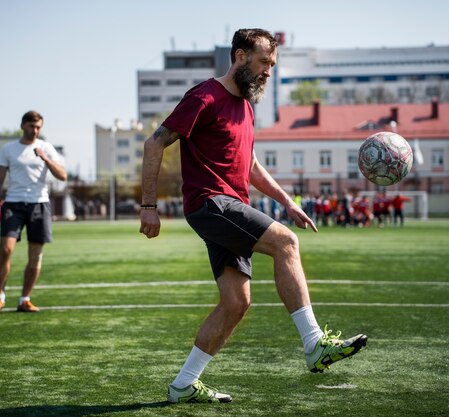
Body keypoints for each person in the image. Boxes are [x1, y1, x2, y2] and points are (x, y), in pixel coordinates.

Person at [139, 28, 367, 404]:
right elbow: (154, 143)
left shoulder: (245, 105)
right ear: (241, 57)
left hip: (231, 205)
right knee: (286, 243)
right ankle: (314, 344)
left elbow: (251, 166)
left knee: (236, 303)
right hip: (211, 202)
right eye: (264, 63)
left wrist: (288, 202)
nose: (268, 72)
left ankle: (182, 385)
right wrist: (149, 207)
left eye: (272, 65)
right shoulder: (203, 96)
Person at [0, 111, 67, 315]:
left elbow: (63, 176)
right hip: (13, 204)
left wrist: (45, 158)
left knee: (35, 257)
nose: (35, 130)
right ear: (23, 125)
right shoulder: (9, 149)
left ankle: (25, 299)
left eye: (39, 127)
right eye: (32, 126)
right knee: (5, 250)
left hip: (39, 205)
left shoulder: (46, 148)